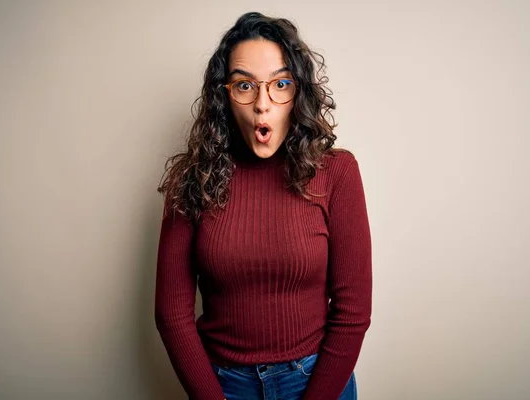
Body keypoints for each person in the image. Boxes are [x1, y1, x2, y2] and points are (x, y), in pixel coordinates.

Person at [154, 11, 372, 400]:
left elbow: (353, 314)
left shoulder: (337, 173)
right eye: (244, 86)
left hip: (316, 382)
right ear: (224, 94)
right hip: (224, 387)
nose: (262, 104)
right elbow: (171, 315)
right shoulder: (191, 180)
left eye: (280, 84)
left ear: (298, 92)